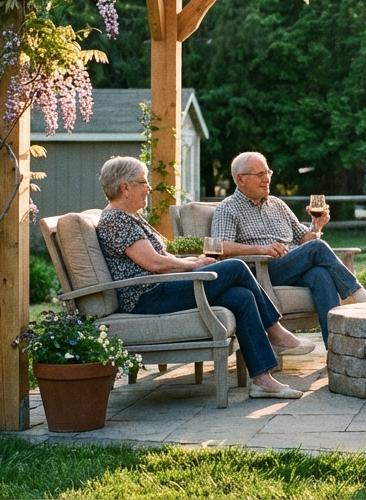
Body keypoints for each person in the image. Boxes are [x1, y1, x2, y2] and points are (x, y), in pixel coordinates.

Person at [93, 156, 312, 400]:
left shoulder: (130, 217)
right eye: (144, 182)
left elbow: (160, 259)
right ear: (125, 187)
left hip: (163, 287)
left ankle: (262, 380)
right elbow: (153, 263)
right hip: (148, 297)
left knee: (241, 296)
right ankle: (276, 331)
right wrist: (194, 264)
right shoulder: (115, 220)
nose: (148, 188)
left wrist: (192, 262)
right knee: (237, 267)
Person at [211, 151, 366, 348]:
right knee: (316, 247)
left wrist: (317, 226)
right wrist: (262, 249)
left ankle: (336, 349)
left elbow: (304, 238)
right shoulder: (227, 208)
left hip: (290, 266)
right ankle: (355, 292)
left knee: (320, 274)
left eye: (268, 173)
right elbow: (220, 246)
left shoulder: (277, 204)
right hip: (260, 272)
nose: (267, 179)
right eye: (260, 175)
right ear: (241, 179)